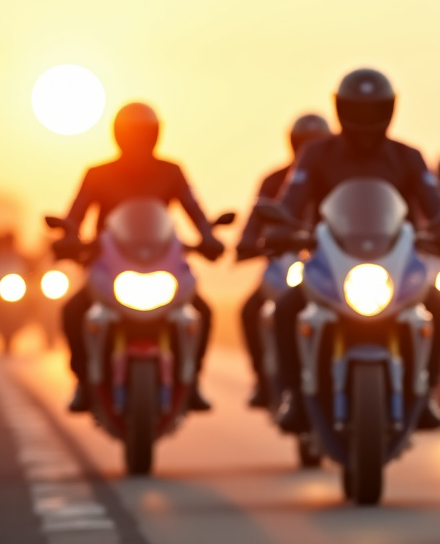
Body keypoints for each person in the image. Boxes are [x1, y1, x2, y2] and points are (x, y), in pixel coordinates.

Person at [269, 68, 440, 432]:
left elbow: (436, 206)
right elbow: (292, 200)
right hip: (331, 261)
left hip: (396, 264)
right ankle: (293, 393)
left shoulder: (408, 157)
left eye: (374, 110)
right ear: (340, 109)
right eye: (358, 110)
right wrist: (279, 227)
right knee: (286, 308)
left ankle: (426, 391)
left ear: (389, 109)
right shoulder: (316, 154)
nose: (366, 120)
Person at [54, 102, 226, 413]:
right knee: (72, 311)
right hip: (109, 265)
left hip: (162, 263)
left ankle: (192, 380)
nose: (139, 142)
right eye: (133, 135)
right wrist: (69, 239)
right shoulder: (97, 174)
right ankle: (82, 381)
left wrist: (208, 236)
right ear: (119, 136)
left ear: (156, 135)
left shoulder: (171, 172)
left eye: (144, 134)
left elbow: (195, 211)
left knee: (202, 312)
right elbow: (75, 216)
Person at [236, 113, 332, 408]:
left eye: (314, 144)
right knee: (251, 310)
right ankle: (263, 382)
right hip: (283, 262)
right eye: (303, 143)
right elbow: (256, 218)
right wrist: (249, 242)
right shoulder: (274, 181)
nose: (308, 150)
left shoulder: (335, 177)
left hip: (329, 265)